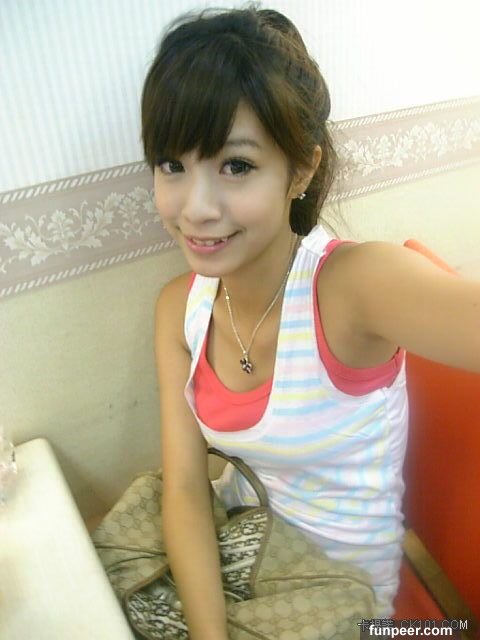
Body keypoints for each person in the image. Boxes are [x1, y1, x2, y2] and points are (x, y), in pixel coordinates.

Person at [142, 6, 480, 638]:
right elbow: (185, 488)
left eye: (236, 165)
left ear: (300, 170)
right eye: (171, 164)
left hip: (353, 609)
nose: (196, 208)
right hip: (247, 556)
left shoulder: (354, 288)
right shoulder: (178, 310)